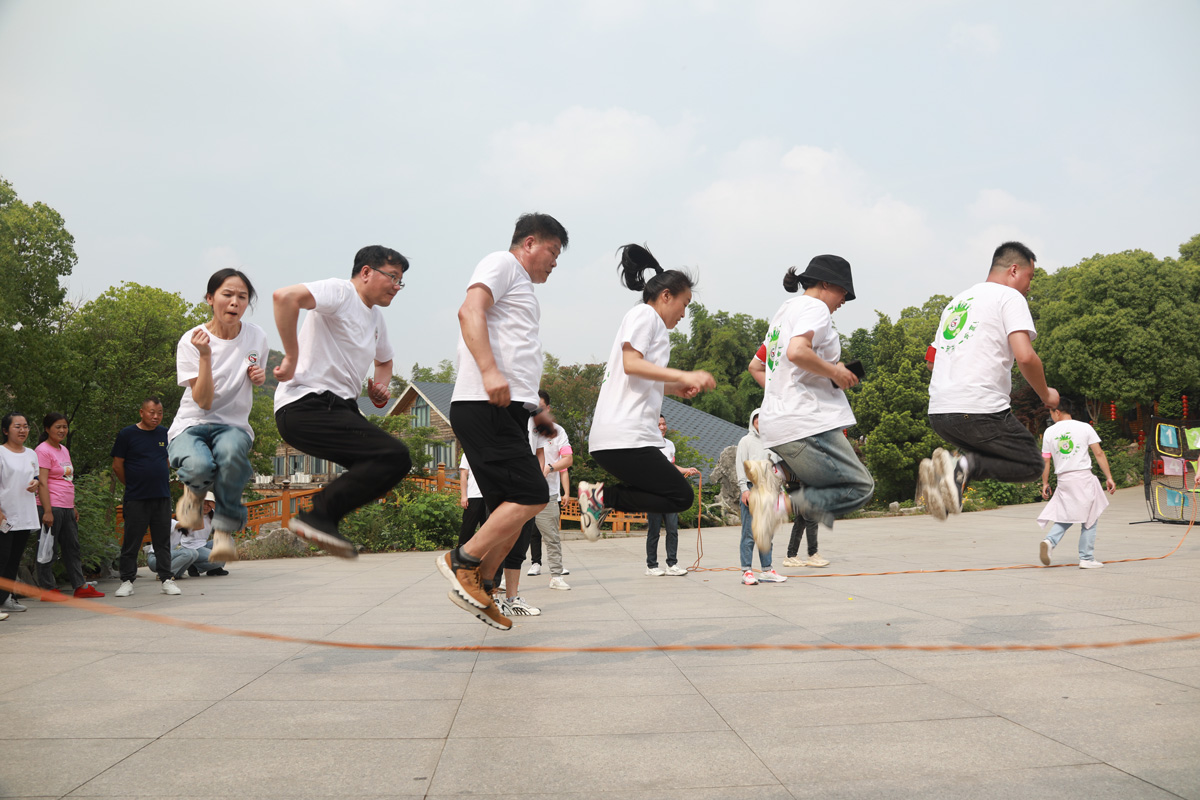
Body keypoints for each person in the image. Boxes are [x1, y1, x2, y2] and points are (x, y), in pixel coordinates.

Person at [438, 212, 568, 630]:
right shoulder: (502, 263)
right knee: (532, 493)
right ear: (529, 243)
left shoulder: (524, 289)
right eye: (552, 251)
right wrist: (489, 370)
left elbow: (519, 357)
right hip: (484, 401)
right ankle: (462, 561)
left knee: (512, 509)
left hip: (510, 410)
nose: (555, 262)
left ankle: (483, 586)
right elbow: (469, 311)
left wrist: (538, 414)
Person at [273, 245, 414, 557]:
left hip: (341, 408)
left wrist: (380, 386)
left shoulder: (376, 319)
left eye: (400, 281)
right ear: (366, 272)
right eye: (392, 277)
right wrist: (291, 356)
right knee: (393, 455)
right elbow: (284, 297)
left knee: (392, 462)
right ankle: (318, 515)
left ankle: (322, 518)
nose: (396, 286)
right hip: (306, 403)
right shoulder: (340, 292)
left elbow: (385, 361)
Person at [580, 244, 715, 542]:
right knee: (679, 496)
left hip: (620, 437)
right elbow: (632, 364)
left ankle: (600, 498)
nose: (684, 313)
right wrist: (683, 374)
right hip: (626, 435)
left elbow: (640, 375)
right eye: (685, 303)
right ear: (666, 295)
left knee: (675, 496)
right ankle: (600, 497)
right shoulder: (645, 315)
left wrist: (675, 387)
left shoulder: (652, 325)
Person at [922, 241, 1059, 520]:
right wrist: (1046, 395)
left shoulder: (956, 303)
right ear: (1014, 270)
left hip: (939, 414)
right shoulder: (1010, 298)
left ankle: (950, 477)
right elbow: (1025, 356)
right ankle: (960, 467)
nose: (1029, 286)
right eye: (1030, 277)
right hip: (980, 410)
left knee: (987, 457)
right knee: (1031, 464)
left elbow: (931, 360)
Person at [753, 256, 875, 551]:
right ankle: (776, 508)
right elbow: (797, 351)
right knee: (859, 487)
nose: (844, 300)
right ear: (826, 284)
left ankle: (778, 472)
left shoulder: (784, 312)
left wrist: (784, 390)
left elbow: (756, 367)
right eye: (844, 291)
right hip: (808, 420)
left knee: (823, 485)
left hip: (778, 423)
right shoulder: (816, 308)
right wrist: (835, 372)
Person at [168, 269, 269, 564]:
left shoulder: (256, 336)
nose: (235, 302)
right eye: (227, 294)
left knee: (232, 456)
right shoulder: (191, 340)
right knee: (199, 466)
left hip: (233, 425)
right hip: (192, 423)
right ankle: (193, 496)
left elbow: (254, 373)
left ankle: (223, 532)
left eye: (242, 297)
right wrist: (205, 356)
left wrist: (259, 377)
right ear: (210, 298)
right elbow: (203, 401)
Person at [1037, 398, 1116, 569]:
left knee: (1067, 514)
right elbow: (1099, 453)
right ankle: (1086, 558)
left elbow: (1046, 460)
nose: (1051, 416)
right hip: (1083, 478)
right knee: (1090, 517)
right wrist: (1109, 477)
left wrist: (1045, 483)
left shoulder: (1049, 432)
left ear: (1057, 412)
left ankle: (1050, 541)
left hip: (1064, 480)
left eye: (1051, 413)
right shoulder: (1085, 427)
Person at [112, 398, 178, 596]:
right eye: (151, 412)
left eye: (159, 413)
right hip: (136, 497)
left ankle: (166, 579)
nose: (156, 416)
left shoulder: (165, 433)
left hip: (161, 496)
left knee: (162, 541)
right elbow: (117, 465)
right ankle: (126, 581)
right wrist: (133, 484)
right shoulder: (127, 434)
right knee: (132, 540)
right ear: (142, 412)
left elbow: (166, 461)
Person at [36, 413, 101, 599]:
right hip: (51, 506)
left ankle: (80, 586)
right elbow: (42, 482)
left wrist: (72, 506)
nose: (62, 430)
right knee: (48, 547)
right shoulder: (42, 450)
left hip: (66, 506)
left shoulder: (63, 449)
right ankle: (47, 589)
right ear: (47, 429)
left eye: (64, 427)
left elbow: (67, 479)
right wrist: (47, 510)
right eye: (58, 427)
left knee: (72, 547)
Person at [734, 408, 787, 584]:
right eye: (757, 418)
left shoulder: (772, 443)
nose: (760, 421)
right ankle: (746, 571)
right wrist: (744, 489)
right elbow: (740, 466)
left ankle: (766, 570)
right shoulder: (746, 441)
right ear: (752, 421)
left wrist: (780, 490)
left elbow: (776, 469)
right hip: (752, 489)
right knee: (749, 533)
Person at [644, 414, 700, 577]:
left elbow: (672, 466)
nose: (662, 427)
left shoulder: (669, 444)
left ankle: (672, 564)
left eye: (664, 424)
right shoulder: (646, 445)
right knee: (654, 531)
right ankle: (651, 566)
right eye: (658, 424)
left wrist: (686, 470)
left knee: (672, 529)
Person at [528, 389, 573, 590]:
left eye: (540, 408)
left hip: (547, 494)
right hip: (521, 493)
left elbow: (568, 459)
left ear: (548, 408)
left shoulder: (558, 431)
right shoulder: (522, 426)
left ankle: (556, 575)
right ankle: (503, 579)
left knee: (552, 537)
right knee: (511, 538)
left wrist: (550, 467)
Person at [0, 413, 40, 614]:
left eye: (25, 426)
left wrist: (36, 483)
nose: (23, 430)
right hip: (4, 516)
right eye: (17, 426)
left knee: (14, 559)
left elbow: (36, 477)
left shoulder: (31, 454)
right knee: (2, 558)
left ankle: (6, 598)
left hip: (24, 516)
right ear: (6, 430)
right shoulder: (1, 452)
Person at [183, 493, 230, 577]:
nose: (206, 506)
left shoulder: (211, 514)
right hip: (192, 548)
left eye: (209, 504)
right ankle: (193, 565)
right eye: (203, 503)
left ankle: (212, 569)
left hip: (203, 545)